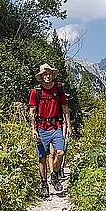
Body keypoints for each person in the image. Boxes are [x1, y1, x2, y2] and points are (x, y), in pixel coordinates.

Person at [28, 63, 72, 198]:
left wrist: (68, 126)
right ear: (41, 76)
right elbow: (32, 111)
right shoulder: (36, 91)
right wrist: (33, 129)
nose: (47, 76)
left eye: (49, 73)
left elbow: (65, 108)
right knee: (42, 158)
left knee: (60, 152)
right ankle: (44, 185)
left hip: (56, 127)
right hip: (41, 128)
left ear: (52, 75)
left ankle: (54, 175)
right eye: (44, 74)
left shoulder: (59, 89)